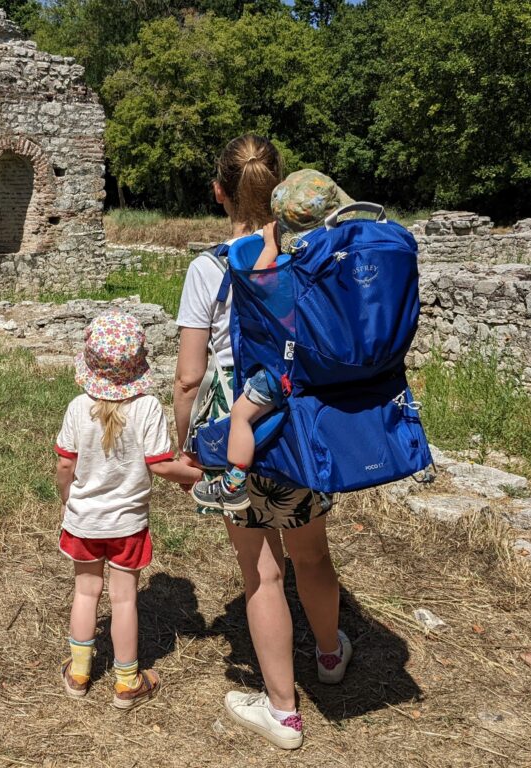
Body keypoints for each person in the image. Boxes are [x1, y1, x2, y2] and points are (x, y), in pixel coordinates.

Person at [174, 136, 352, 750]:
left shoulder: (210, 268)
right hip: (299, 419)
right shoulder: (311, 253)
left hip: (238, 428)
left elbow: (189, 376)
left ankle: (283, 711)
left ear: (219, 192)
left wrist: (186, 442)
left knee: (262, 573)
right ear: (279, 183)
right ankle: (329, 655)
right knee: (313, 555)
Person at [56, 310, 203, 709]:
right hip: (128, 525)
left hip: (84, 521)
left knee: (85, 592)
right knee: (124, 600)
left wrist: (68, 497)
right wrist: (194, 474)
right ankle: (126, 682)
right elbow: (161, 465)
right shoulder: (148, 408)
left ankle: (79, 674)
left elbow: (65, 465)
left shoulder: (78, 407)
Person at [191, 169, 355, 512]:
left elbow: (257, 284)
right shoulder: (332, 262)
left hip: (284, 370)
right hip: (322, 367)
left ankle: (233, 483)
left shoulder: (285, 265)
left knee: (241, 415)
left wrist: (269, 246)